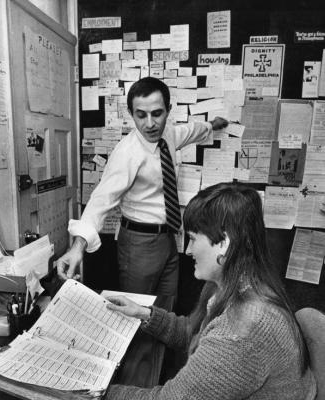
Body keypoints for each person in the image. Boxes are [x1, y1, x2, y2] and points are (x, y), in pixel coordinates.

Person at [99, 182, 319, 400]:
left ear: (224, 243)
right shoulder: (233, 282)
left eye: (192, 238)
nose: (188, 250)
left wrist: (86, 394)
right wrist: (146, 315)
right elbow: (195, 333)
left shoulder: (245, 326)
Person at [57, 77, 228, 296]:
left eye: (157, 113)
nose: (149, 124)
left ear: (168, 110)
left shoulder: (169, 134)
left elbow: (192, 130)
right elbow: (101, 200)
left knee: (166, 306)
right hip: (139, 243)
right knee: (136, 307)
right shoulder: (127, 153)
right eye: (141, 115)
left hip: (170, 237)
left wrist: (213, 124)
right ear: (131, 114)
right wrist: (77, 246)